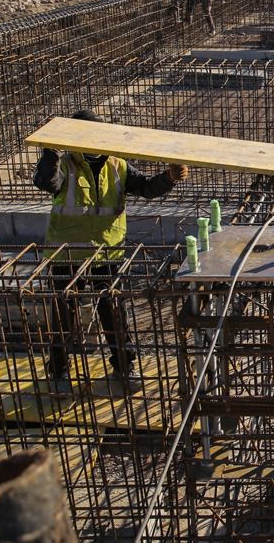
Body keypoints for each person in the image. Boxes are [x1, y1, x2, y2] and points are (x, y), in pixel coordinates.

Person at [33, 109, 190, 394]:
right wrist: (51, 152)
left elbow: (145, 187)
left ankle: (123, 366)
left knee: (114, 313)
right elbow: (46, 183)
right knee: (63, 315)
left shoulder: (117, 164)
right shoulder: (65, 162)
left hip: (107, 253)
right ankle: (58, 372)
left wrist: (168, 177)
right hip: (67, 254)